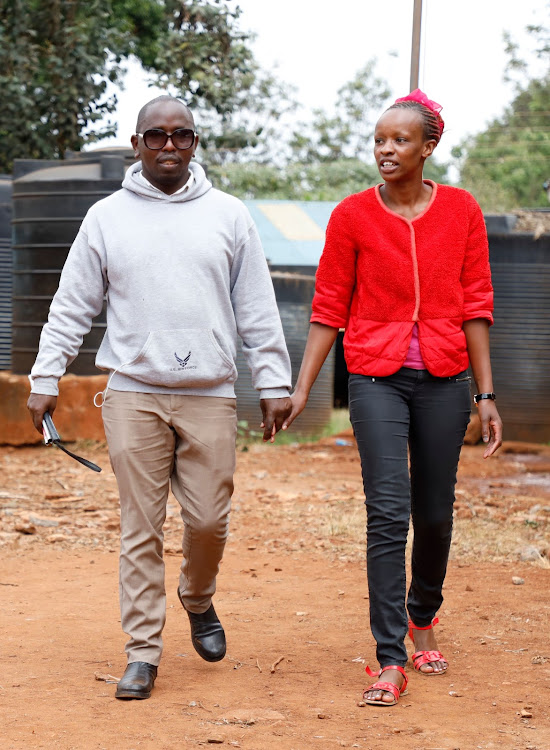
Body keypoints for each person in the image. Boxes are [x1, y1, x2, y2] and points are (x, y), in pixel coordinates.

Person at [27, 95, 292, 701]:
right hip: (134, 394)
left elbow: (256, 305)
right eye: (156, 136)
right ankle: (142, 652)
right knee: (140, 527)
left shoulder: (228, 215)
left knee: (208, 521)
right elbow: (72, 305)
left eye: (182, 136)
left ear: (196, 143)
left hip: (210, 393)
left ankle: (198, 596)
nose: (169, 146)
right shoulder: (106, 217)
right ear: (136, 144)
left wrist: (273, 381)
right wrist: (46, 377)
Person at [282, 89, 502, 706]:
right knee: (388, 511)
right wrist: (302, 389)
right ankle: (388, 657)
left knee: (434, 512)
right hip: (374, 378)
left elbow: (476, 303)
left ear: (428, 147)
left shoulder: (461, 211)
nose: (385, 149)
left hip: (444, 378)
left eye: (399, 140)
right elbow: (328, 306)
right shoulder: (352, 215)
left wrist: (485, 392)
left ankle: (422, 615)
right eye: (379, 139)